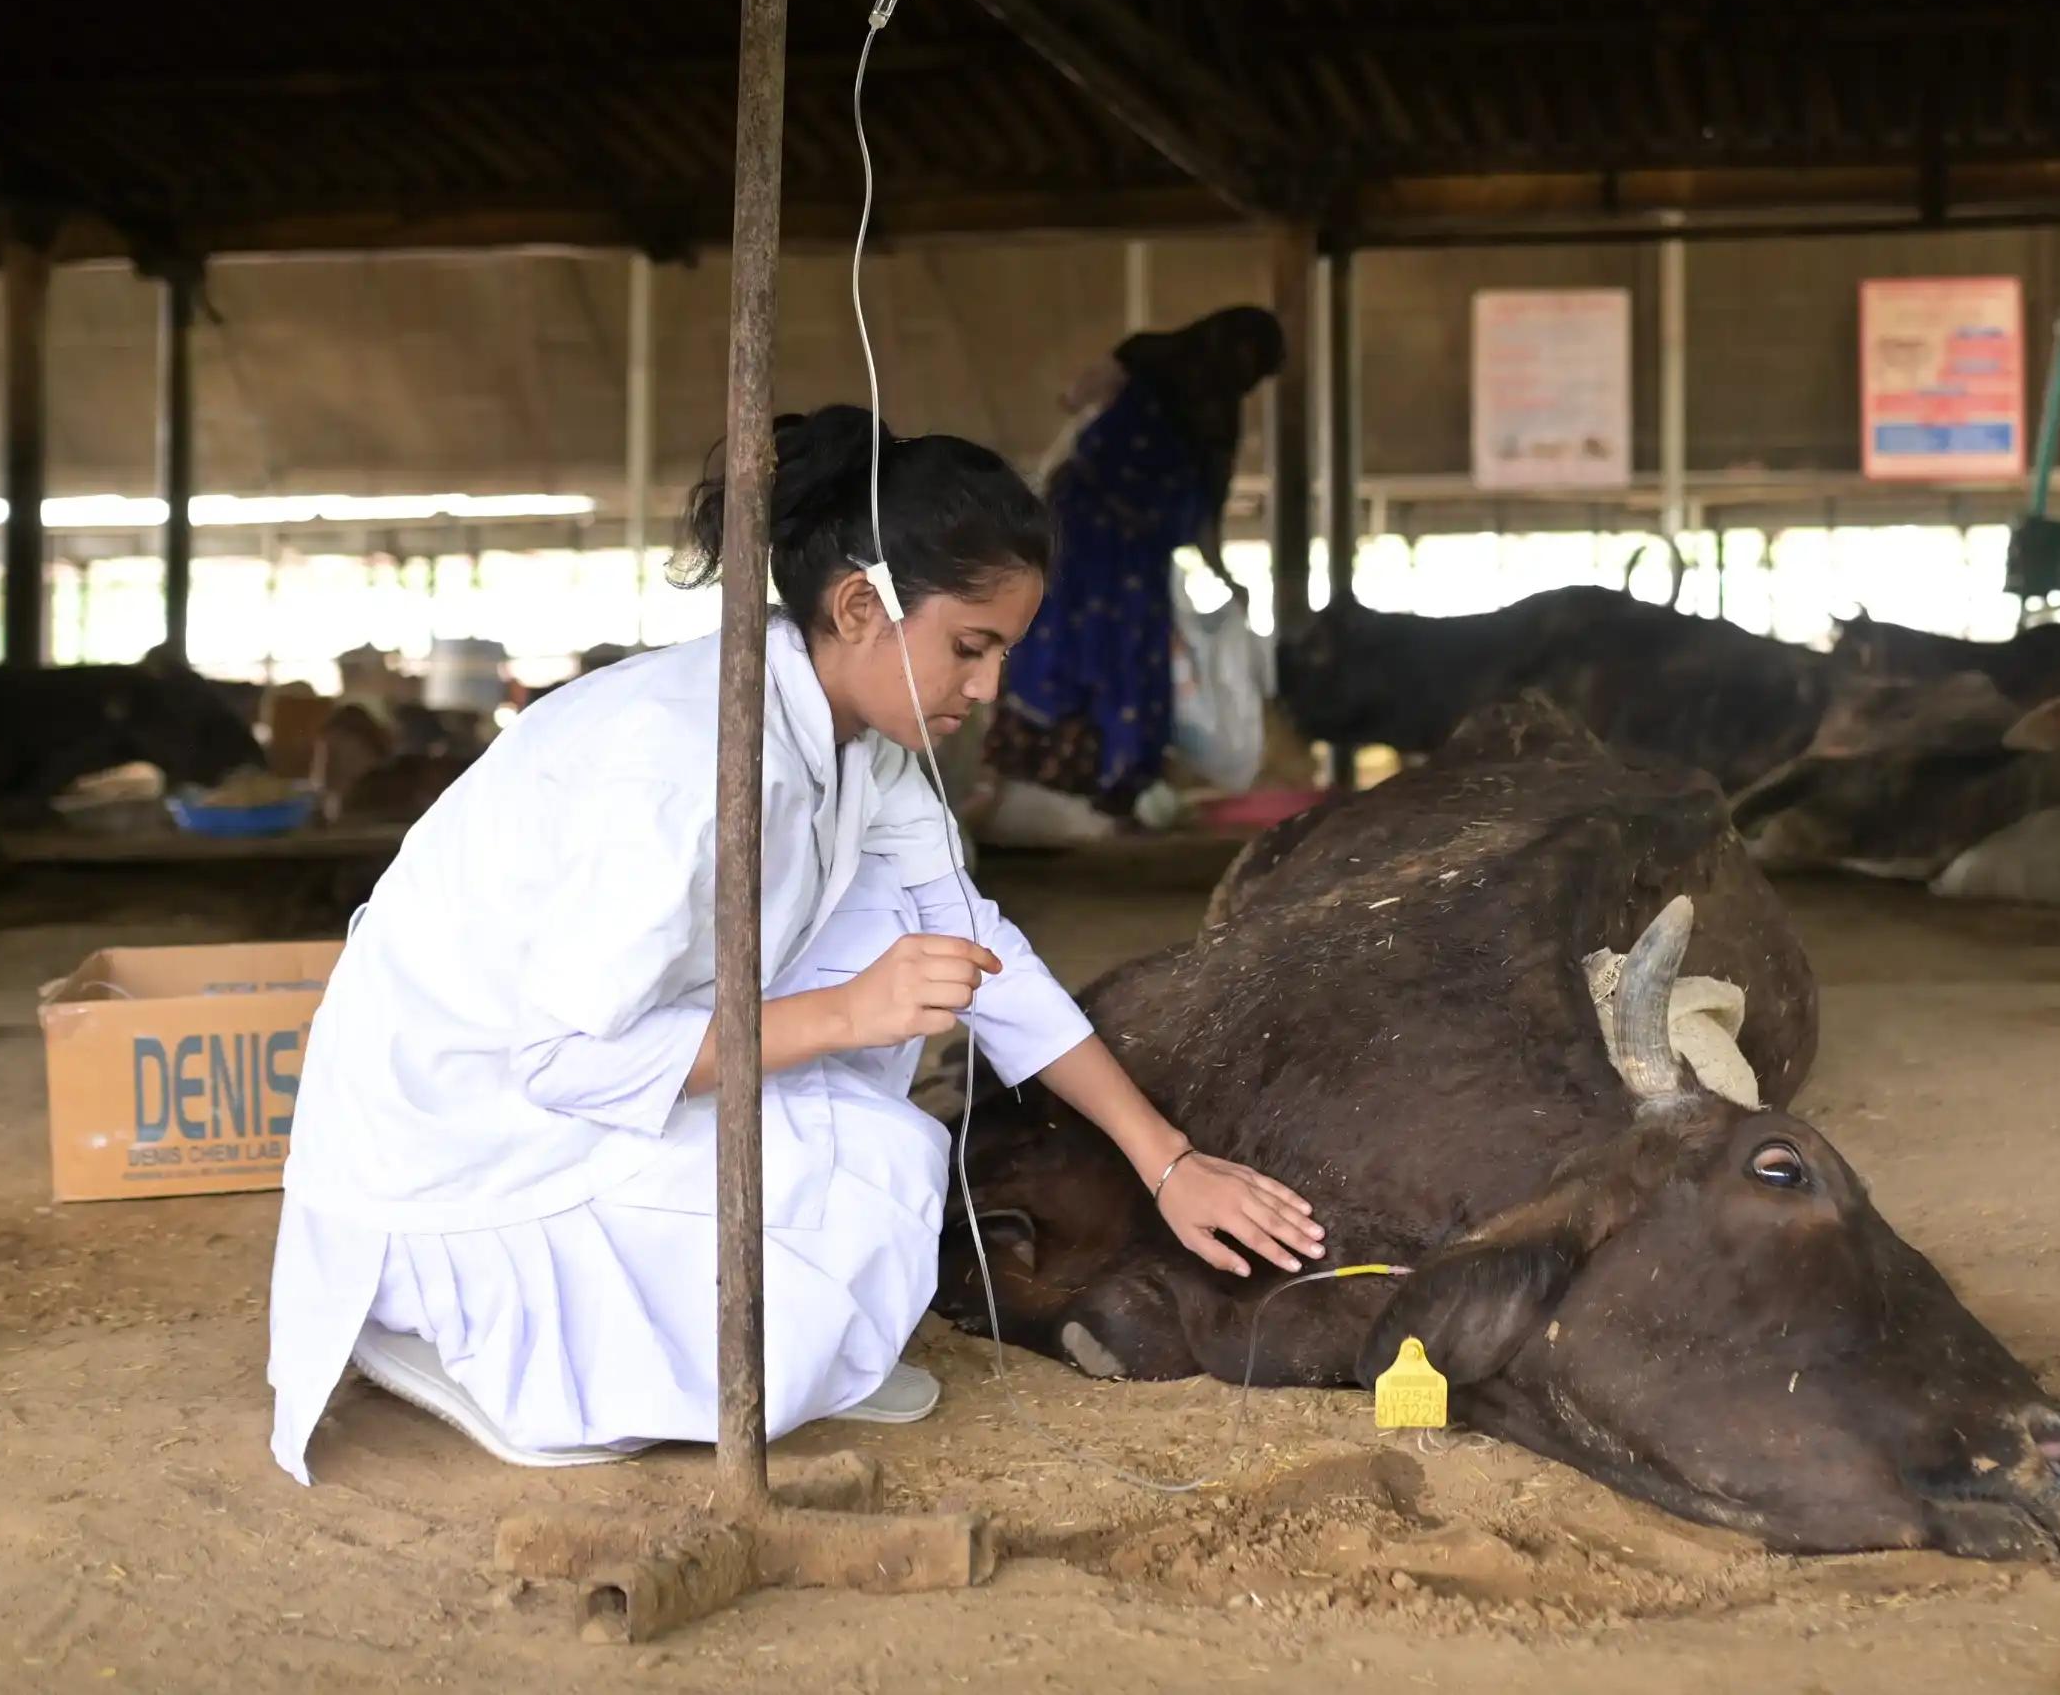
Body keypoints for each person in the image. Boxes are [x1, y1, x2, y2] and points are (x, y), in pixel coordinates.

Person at [265, 408, 1320, 1480]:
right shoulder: (683, 760)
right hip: (460, 1141)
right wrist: (844, 1014)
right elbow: (560, 1058)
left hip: (566, 1084)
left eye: (1004, 652)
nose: (990, 687)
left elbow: (977, 942)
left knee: (896, 1019)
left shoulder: (863, 742)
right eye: (971, 646)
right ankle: (449, 1331)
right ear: (861, 603)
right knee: (863, 1158)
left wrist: (1167, 1158)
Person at [983, 306, 1286, 815]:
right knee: (1061, 653)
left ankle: (1111, 791)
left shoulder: (1214, 424)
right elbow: (1079, 401)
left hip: (1133, 561)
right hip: (1080, 539)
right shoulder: (1152, 359)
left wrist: (1225, 577)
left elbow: (1205, 515)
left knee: (1126, 664)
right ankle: (1044, 785)